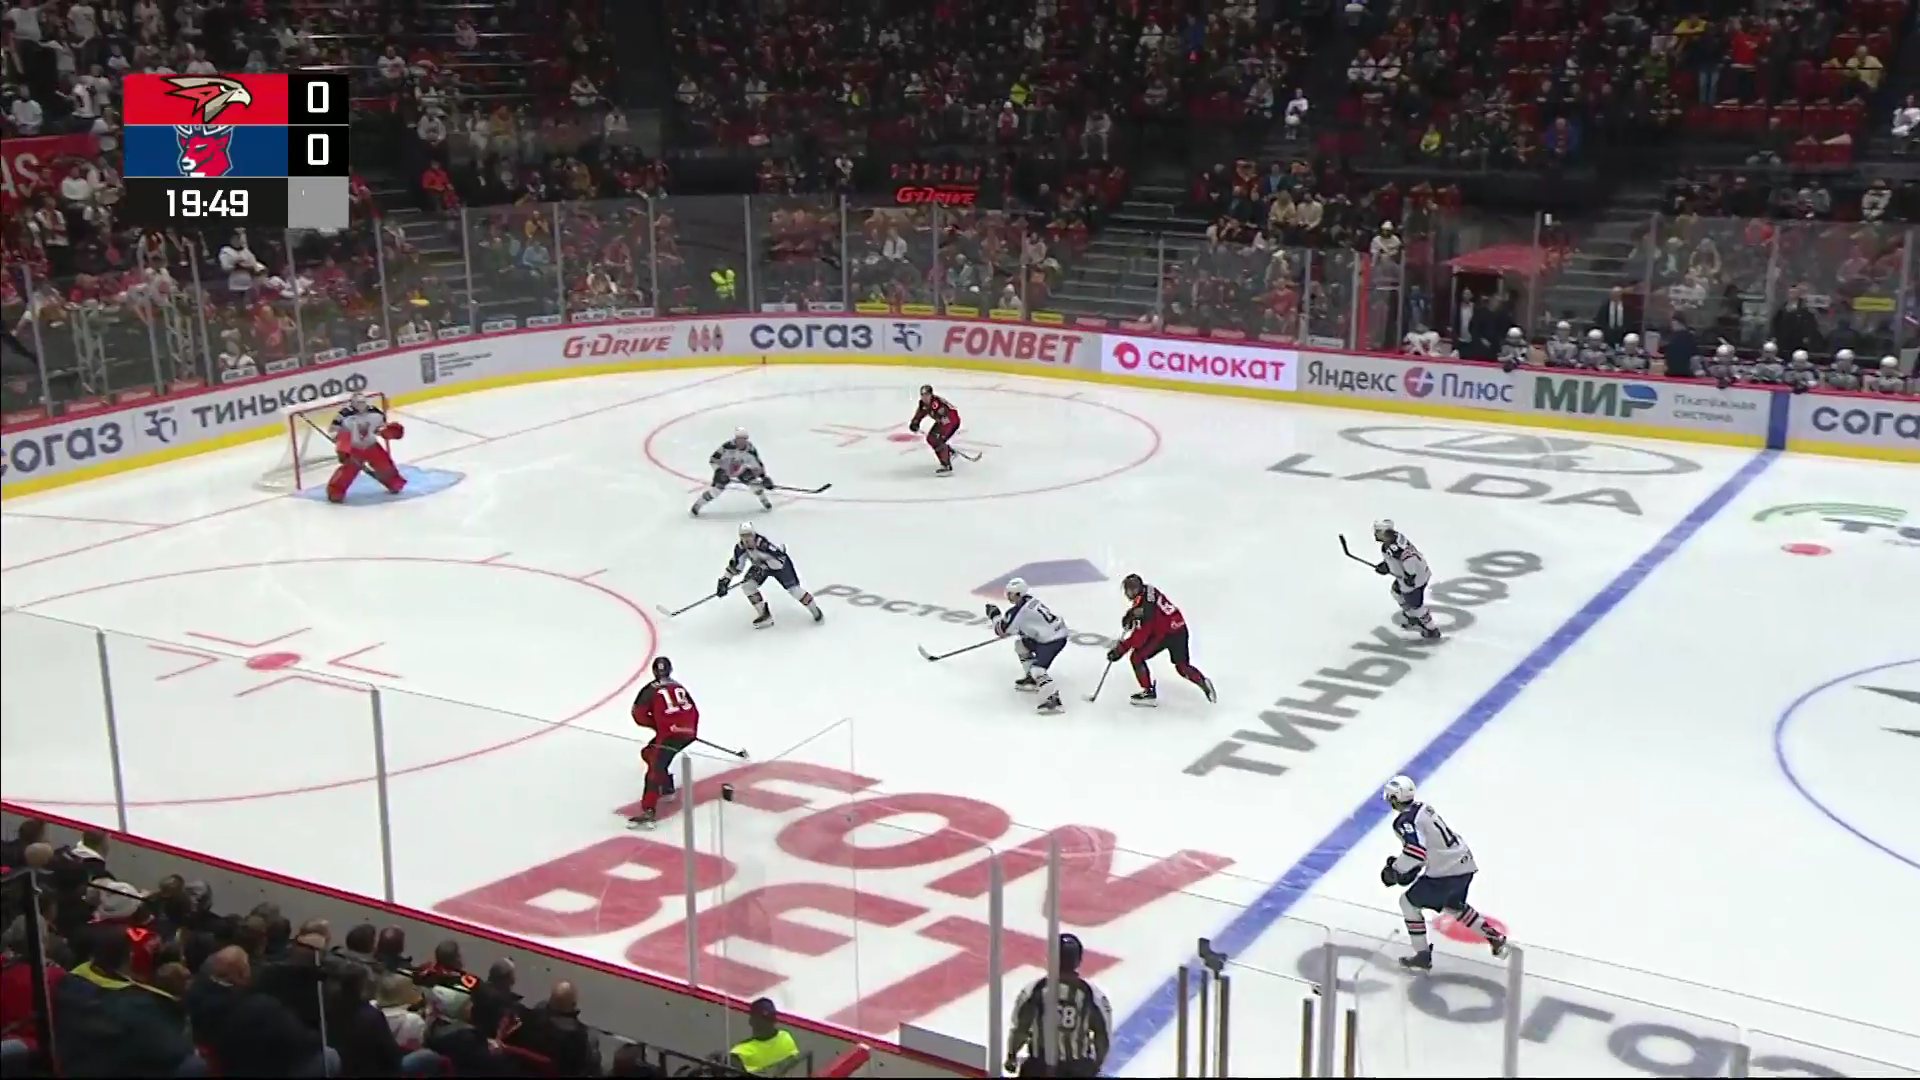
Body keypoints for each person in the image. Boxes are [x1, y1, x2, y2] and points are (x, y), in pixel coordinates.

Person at [1379, 775, 1508, 970]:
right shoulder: (1424, 808)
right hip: (1464, 864)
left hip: (1446, 872)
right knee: (1454, 906)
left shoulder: (1404, 821)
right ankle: (1494, 937)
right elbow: (1428, 847)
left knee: (1408, 903)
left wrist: (1396, 870)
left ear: (1394, 798)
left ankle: (1422, 955)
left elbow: (1416, 852)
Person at [1004, 934, 1112, 1077]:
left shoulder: (1035, 990)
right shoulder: (1092, 995)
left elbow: (1020, 1029)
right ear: (1078, 960)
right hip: (1077, 1068)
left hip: (1040, 1066)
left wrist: (1012, 1055)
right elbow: (1102, 1036)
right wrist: (1096, 1065)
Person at [1107, 574, 1215, 707]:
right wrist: (1131, 615)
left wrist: (1120, 650)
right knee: (1182, 666)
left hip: (1166, 634)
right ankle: (1203, 682)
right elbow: (1144, 609)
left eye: (1129, 591)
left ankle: (1148, 693)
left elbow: (1139, 638)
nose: (1127, 594)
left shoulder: (1145, 610)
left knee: (1137, 657)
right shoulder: (1148, 591)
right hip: (1178, 628)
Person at [627, 656, 701, 830]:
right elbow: (695, 711)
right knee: (649, 753)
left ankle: (649, 811)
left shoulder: (650, 689)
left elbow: (638, 715)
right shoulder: (679, 687)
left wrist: (658, 725)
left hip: (669, 735)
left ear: (653, 671)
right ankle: (666, 787)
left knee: (655, 767)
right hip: (687, 733)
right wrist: (689, 729)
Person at [985, 577, 1068, 713]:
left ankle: (1054, 700)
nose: (1008, 596)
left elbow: (1001, 630)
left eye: (1010, 594)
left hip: (1053, 640)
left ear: (1018, 594)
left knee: (1038, 670)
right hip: (1053, 634)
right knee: (1021, 645)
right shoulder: (1030, 600)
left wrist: (994, 615)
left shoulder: (1019, 612)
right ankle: (1032, 680)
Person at [718, 522, 823, 628]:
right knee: (747, 586)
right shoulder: (740, 548)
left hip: (781, 567)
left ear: (753, 534)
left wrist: (765, 565)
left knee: (794, 590)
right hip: (761, 567)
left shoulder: (764, 544)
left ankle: (814, 610)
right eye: (743, 536)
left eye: (749, 535)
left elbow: (780, 557)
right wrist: (725, 580)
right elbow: (736, 566)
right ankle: (764, 615)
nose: (746, 539)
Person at [326, 392, 406, 503]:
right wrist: (342, 446)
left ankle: (394, 482)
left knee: (384, 464)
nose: (360, 405)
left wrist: (387, 431)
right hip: (354, 447)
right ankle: (336, 491)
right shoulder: (344, 414)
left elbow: (380, 427)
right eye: (357, 403)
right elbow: (335, 430)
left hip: (371, 445)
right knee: (349, 470)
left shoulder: (374, 412)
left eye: (362, 402)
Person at [1370, 520, 1439, 640]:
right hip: (1412, 576)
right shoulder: (1393, 540)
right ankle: (1412, 617)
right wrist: (1387, 566)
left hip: (1414, 580)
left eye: (1378, 531)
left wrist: (1410, 576)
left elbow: (1409, 559)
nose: (1375, 533)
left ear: (1386, 532)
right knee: (1396, 592)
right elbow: (1398, 559)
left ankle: (1431, 629)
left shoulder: (1395, 547)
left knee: (1416, 606)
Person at [691, 428, 775, 516]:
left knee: (755, 484)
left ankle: (764, 500)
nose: (741, 442)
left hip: (741, 470)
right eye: (739, 439)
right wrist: (719, 471)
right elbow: (713, 460)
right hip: (724, 470)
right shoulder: (726, 447)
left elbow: (758, 465)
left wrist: (764, 478)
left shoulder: (751, 450)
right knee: (716, 491)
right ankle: (698, 504)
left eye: (743, 439)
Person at [728, 997, 800, 1075]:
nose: (766, 1024)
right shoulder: (785, 1037)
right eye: (765, 1019)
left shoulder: (740, 1053)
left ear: (751, 1021)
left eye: (768, 1019)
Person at [908, 384, 964, 475]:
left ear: (931, 395)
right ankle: (948, 452)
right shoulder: (923, 404)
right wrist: (915, 422)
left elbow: (947, 419)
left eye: (926, 395)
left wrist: (941, 435)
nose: (924, 397)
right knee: (931, 439)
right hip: (942, 421)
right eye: (922, 395)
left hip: (952, 421)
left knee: (937, 440)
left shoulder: (936, 404)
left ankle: (946, 465)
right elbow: (920, 413)